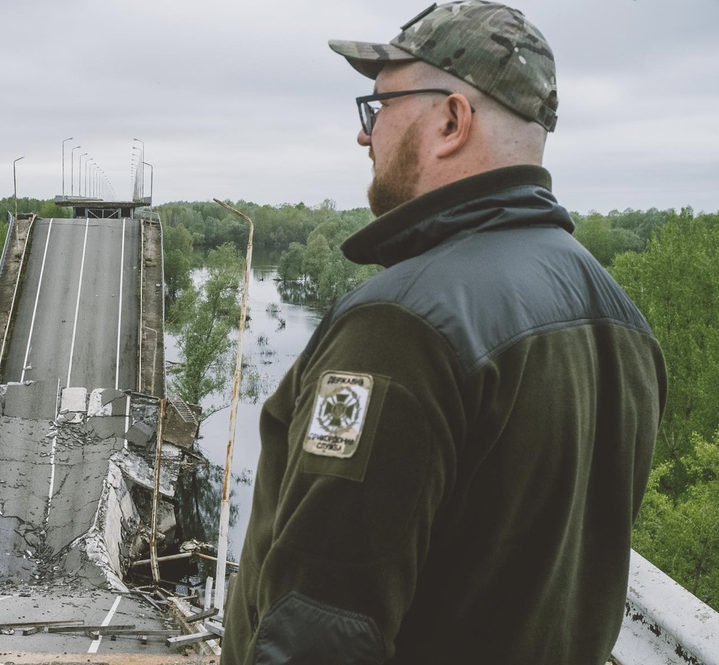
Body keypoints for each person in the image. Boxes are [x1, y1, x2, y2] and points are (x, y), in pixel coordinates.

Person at [221, 2, 666, 663]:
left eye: (379, 108)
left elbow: (320, 629)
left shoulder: (401, 325)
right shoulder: (618, 314)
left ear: (451, 120)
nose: (364, 137)